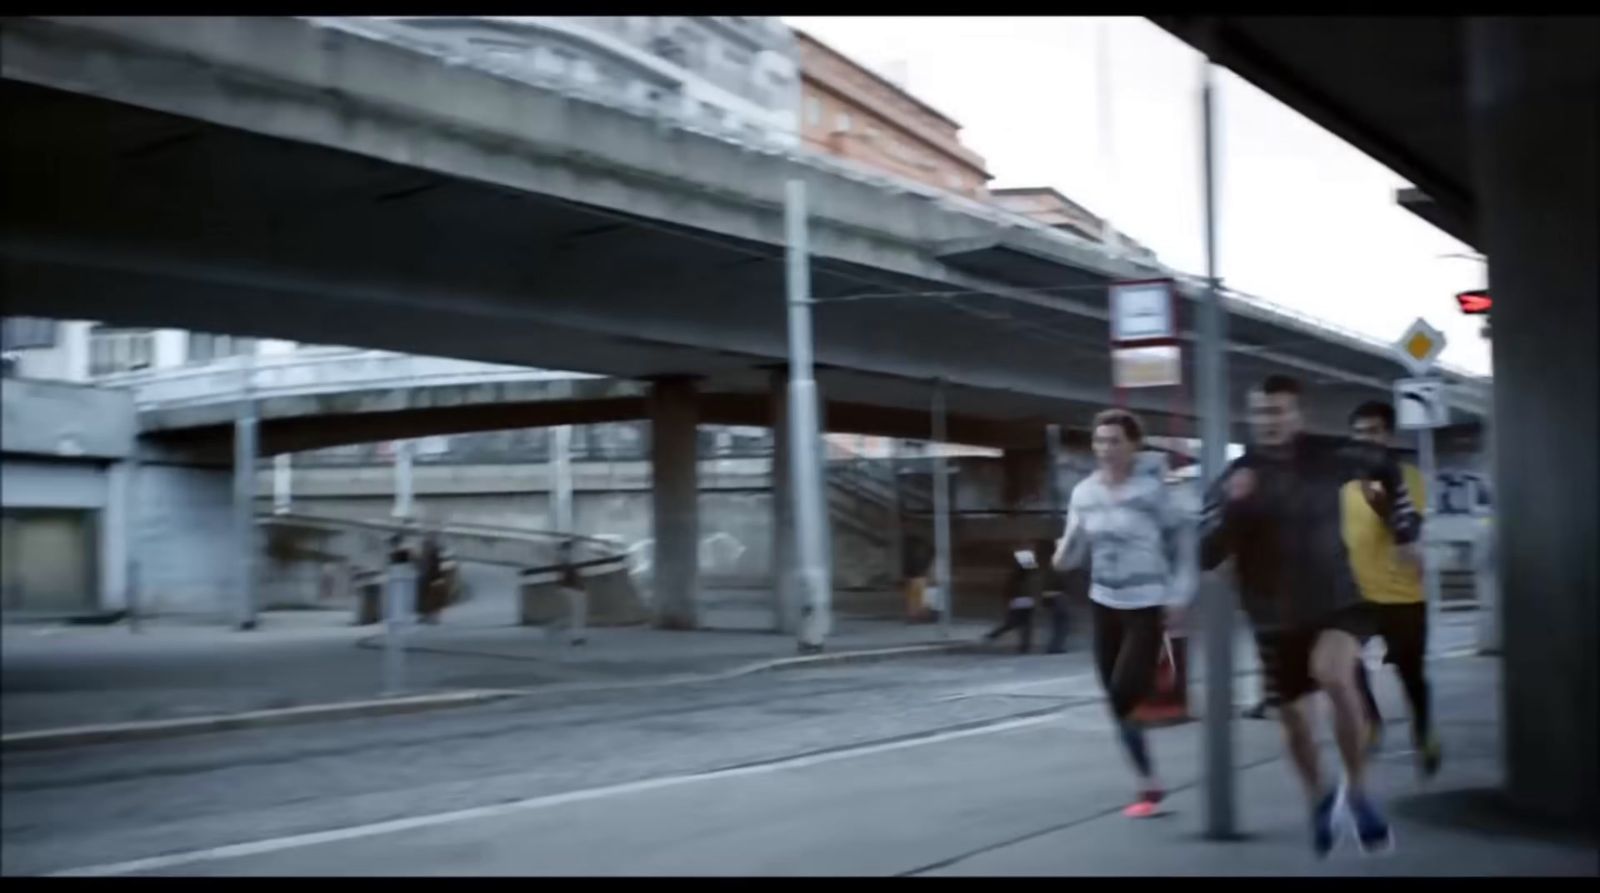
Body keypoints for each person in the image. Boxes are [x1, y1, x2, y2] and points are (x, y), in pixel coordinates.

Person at [1200, 375, 1422, 857]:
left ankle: (1359, 793)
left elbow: (1387, 465)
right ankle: (1321, 798)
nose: (1270, 422)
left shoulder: (1332, 456)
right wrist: (1235, 509)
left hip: (1337, 600)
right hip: (1274, 615)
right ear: (1252, 418)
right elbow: (1205, 551)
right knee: (1295, 721)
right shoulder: (1236, 477)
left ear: (1297, 415)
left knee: (1335, 674)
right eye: (1261, 414)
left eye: (1279, 412)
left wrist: (1405, 530)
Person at [1053, 409, 1195, 819]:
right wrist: (1063, 552)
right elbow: (1074, 550)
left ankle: (1149, 773)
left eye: (1115, 441)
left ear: (1134, 444)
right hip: (1104, 603)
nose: (1106, 449)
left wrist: (1180, 595)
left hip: (1146, 605)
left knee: (1122, 693)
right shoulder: (1084, 493)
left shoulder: (1154, 493)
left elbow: (1185, 544)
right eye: (1100, 442)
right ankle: (1148, 781)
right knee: (1116, 703)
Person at [1345, 400, 1441, 777]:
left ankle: (1423, 731)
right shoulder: (1345, 486)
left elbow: (1405, 525)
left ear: (1389, 436)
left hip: (1403, 596)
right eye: (1359, 434)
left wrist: (1378, 496)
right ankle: (1371, 722)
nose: (1366, 440)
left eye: (1373, 432)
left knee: (1411, 674)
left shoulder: (1408, 478)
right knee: (1345, 664)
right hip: (1356, 595)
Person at [985, 542, 1045, 653]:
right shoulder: (1031, 572)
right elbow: (1032, 587)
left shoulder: (1018, 573)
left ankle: (994, 636)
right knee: (1025, 624)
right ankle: (1024, 647)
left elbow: (1010, 587)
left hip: (1019, 601)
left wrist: (1008, 600)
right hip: (1026, 601)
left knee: (1014, 623)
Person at [556, 538, 588, 646]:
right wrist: (580, 585)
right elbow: (573, 573)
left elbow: (564, 574)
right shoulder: (568, 557)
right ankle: (576, 637)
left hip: (569, 586)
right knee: (578, 613)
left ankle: (577, 635)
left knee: (577, 612)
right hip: (573, 587)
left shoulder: (564, 557)